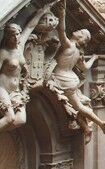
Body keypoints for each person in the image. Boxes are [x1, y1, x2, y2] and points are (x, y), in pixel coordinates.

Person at [51, 0, 105, 140]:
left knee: (78, 106)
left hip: (60, 78)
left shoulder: (69, 46)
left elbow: (61, 31)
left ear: (80, 38)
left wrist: (62, 14)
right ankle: (88, 127)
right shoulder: (78, 53)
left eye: (80, 32)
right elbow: (85, 67)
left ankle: (100, 122)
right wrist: (93, 58)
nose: (76, 30)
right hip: (70, 79)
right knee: (74, 106)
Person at [0, 3, 55, 133]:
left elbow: (30, 26)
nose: (17, 37)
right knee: (9, 118)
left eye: (18, 34)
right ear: (8, 36)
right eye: (13, 35)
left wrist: (43, 10)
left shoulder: (20, 46)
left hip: (16, 91)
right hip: (2, 89)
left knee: (20, 120)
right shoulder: (3, 53)